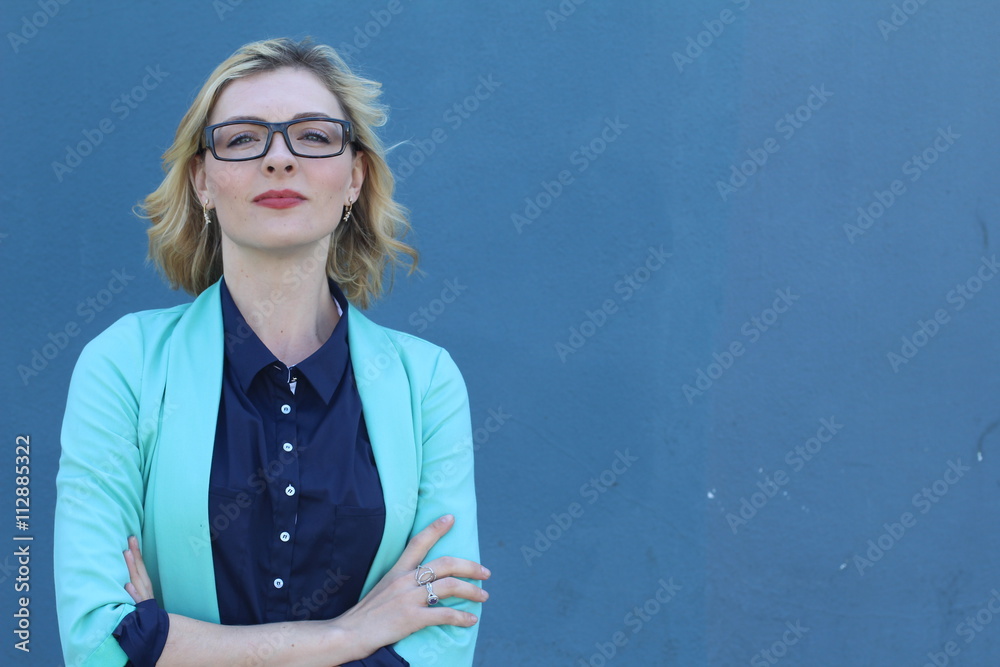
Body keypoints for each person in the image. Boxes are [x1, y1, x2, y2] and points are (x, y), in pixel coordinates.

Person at [54, 37, 487, 667]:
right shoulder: (122, 365)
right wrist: (345, 637)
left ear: (354, 177)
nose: (280, 159)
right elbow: (98, 639)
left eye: (313, 136)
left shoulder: (427, 384)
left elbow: (442, 636)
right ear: (202, 179)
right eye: (241, 138)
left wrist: (173, 644)